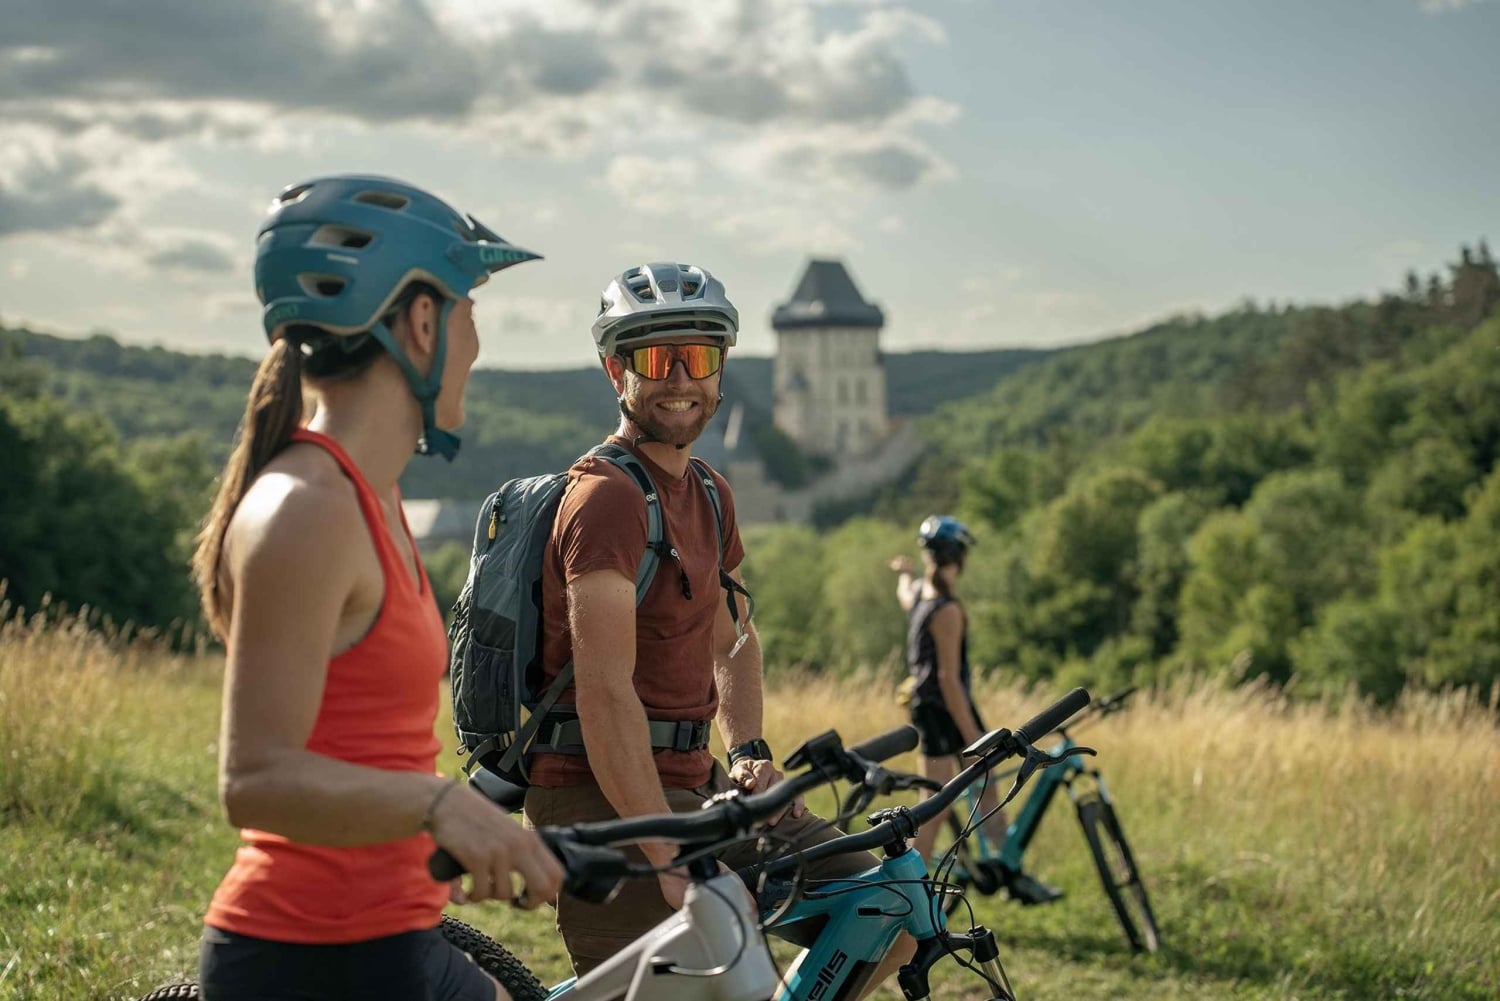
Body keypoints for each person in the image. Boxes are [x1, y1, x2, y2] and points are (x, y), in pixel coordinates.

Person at [192, 175, 563, 1001]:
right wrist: (440, 805)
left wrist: (447, 826)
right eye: (472, 311)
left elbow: (365, 744)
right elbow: (252, 779)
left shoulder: (372, 494)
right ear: (422, 321)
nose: (477, 342)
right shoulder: (306, 508)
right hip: (312, 959)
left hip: (395, 935)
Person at [521, 261, 915, 990]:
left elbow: (732, 638)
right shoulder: (605, 497)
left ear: (723, 367)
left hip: (697, 787)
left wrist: (750, 750)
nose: (679, 378)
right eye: (654, 358)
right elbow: (604, 694)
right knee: (709, 981)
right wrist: (662, 851)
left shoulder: (708, 490)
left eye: (698, 357)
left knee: (887, 906)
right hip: (599, 794)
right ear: (616, 370)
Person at [892, 515, 1062, 904]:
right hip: (944, 710)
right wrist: (974, 739)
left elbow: (905, 593)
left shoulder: (921, 594)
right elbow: (950, 681)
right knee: (934, 804)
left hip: (930, 709)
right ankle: (906, 897)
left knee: (983, 790)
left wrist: (903, 572)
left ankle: (1009, 867)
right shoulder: (948, 610)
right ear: (960, 557)